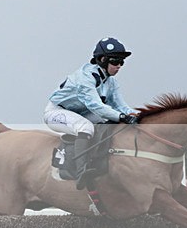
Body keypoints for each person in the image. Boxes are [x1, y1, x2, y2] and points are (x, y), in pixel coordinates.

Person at [43, 37, 139, 189]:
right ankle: (81, 171)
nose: (119, 66)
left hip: (81, 113)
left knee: (107, 124)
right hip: (57, 112)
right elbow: (97, 106)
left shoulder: (111, 81)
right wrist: (122, 117)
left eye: (122, 62)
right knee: (86, 127)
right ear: (102, 59)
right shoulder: (85, 77)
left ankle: (98, 161)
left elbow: (121, 106)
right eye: (115, 61)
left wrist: (139, 116)